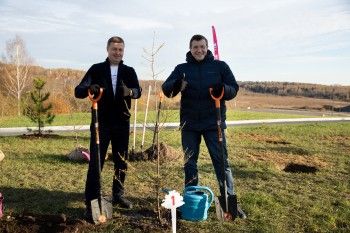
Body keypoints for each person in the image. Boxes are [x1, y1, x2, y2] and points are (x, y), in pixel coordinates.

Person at [161, 34, 246, 218]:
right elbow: (166, 88)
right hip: (190, 123)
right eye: (195, 47)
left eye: (202, 47)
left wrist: (223, 89)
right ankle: (192, 202)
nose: (199, 50)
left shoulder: (220, 66)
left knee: (221, 162)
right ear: (190, 49)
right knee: (190, 163)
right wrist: (176, 84)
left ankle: (229, 201)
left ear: (207, 48)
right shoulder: (182, 68)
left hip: (213, 122)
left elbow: (234, 88)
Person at [75, 36, 142, 221]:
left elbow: (138, 91)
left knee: (121, 161)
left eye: (120, 50)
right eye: (114, 49)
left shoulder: (129, 71)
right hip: (101, 124)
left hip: (122, 123)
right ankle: (91, 200)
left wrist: (129, 92)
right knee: (96, 163)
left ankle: (118, 194)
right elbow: (78, 90)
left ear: (123, 52)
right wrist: (90, 88)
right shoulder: (96, 69)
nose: (117, 53)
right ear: (107, 49)